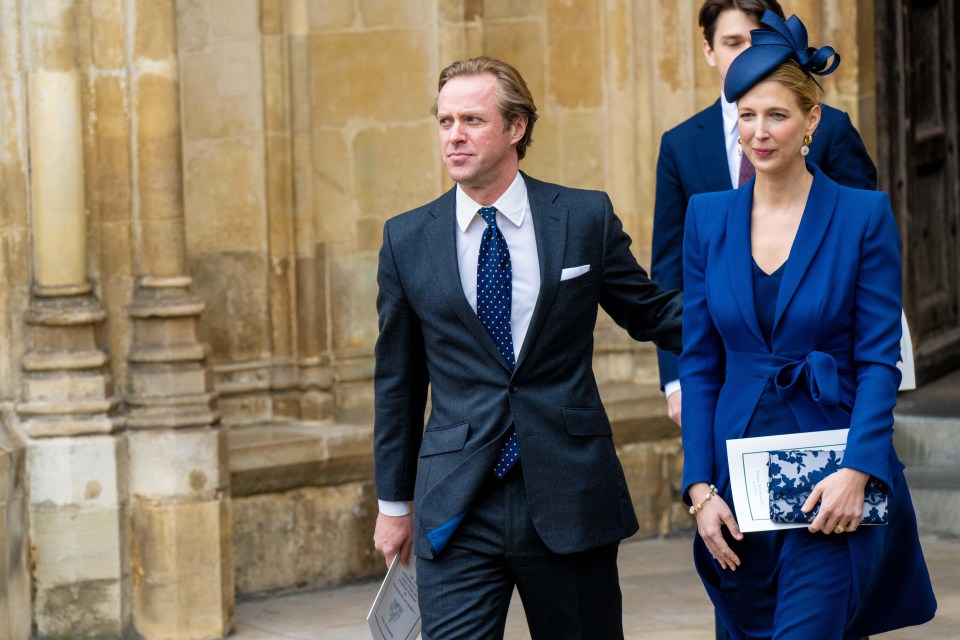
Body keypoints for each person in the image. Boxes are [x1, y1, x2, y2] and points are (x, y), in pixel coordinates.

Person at [372, 56, 682, 639]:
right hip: (457, 504)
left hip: (570, 492)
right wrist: (394, 506)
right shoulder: (406, 238)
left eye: (471, 119)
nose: (454, 136)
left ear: (516, 127)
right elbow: (397, 382)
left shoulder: (583, 217)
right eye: (444, 122)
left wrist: (760, 318)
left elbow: (652, 313)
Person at [679, 11, 937, 639]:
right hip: (736, 485)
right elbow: (699, 363)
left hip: (831, 485)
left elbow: (880, 360)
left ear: (811, 123)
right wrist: (699, 490)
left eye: (777, 115)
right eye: (746, 115)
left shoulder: (863, 216)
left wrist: (859, 468)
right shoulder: (707, 218)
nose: (759, 132)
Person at [651, 0, 877, 429]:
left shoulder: (831, 129)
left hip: (819, 377)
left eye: (756, 41)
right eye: (731, 42)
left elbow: (862, 258)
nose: (744, 55)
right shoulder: (680, 144)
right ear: (709, 51)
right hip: (719, 364)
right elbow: (668, 272)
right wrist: (675, 379)